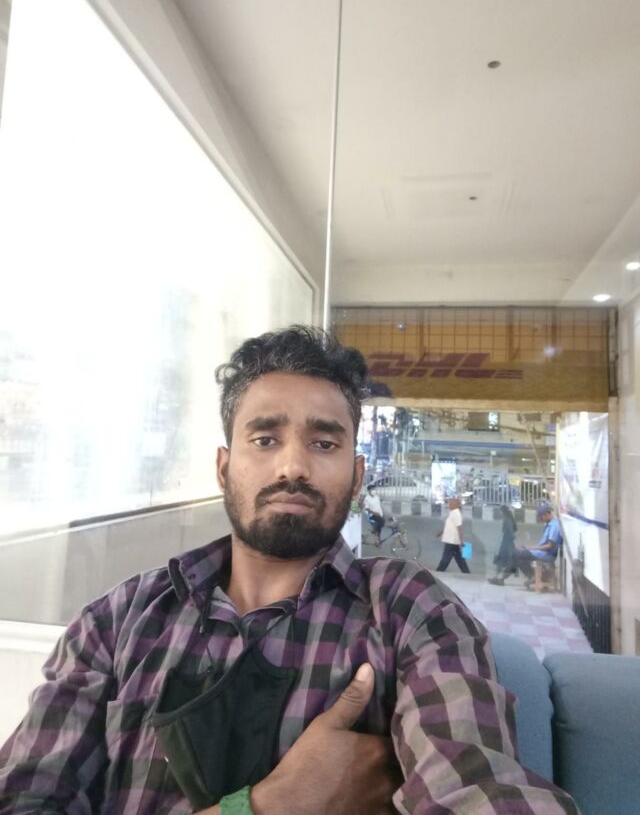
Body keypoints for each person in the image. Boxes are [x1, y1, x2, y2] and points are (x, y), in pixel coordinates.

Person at [0, 326, 577, 814]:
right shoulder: (116, 622)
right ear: (224, 467)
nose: (293, 466)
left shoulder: (408, 610)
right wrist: (265, 805)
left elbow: (477, 786)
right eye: (264, 438)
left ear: (356, 475)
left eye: (324, 444)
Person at [490, 502, 562, 588]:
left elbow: (549, 546)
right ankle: (503, 578)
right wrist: (530, 548)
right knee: (517, 556)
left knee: (515, 554)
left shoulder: (554, 526)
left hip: (546, 554)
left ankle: (530, 576)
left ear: (547, 514)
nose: (540, 519)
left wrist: (532, 548)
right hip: (541, 552)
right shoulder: (550, 524)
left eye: (541, 516)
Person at [435, 496, 471, 573]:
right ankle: (466, 572)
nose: (449, 505)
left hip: (451, 540)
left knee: (446, 558)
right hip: (452, 540)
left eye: (451, 503)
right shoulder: (453, 513)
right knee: (459, 558)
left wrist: (461, 541)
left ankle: (439, 571)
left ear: (456, 505)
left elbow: (459, 528)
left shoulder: (456, 514)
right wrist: (441, 532)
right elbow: (450, 526)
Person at [487, 506, 518, 584]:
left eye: (500, 511)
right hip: (507, 543)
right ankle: (498, 578)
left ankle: (499, 578)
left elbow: (511, 534)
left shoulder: (507, 520)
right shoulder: (508, 519)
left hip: (507, 544)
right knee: (506, 562)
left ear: (503, 512)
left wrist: (508, 540)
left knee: (502, 561)